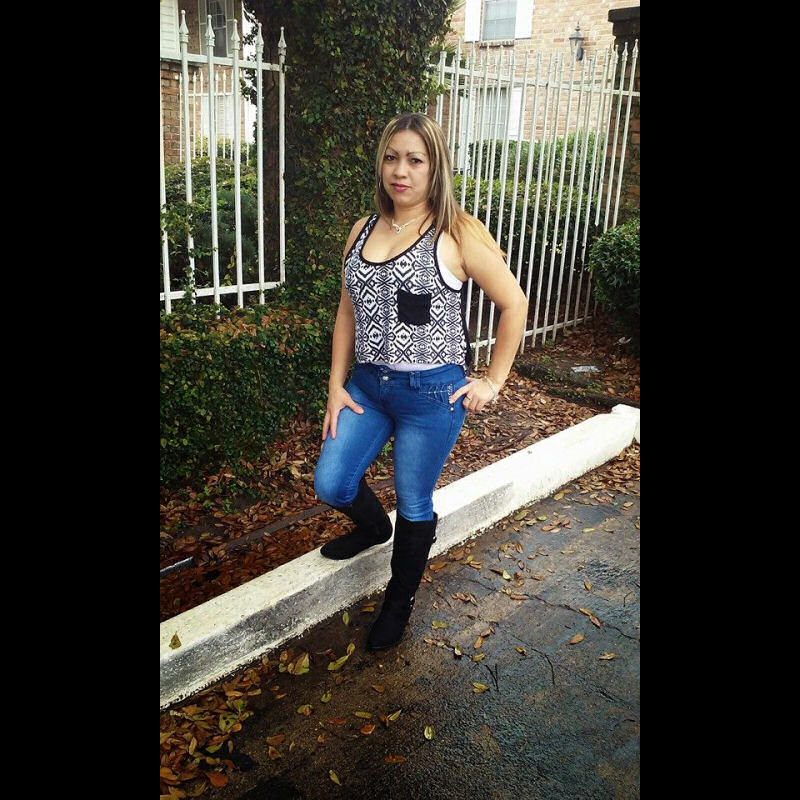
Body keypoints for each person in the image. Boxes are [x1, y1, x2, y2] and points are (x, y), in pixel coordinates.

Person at [313, 112, 528, 651]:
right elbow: (347, 313)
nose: (400, 171)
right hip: (367, 387)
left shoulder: (457, 233)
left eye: (415, 160)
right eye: (391, 158)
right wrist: (336, 386)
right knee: (332, 484)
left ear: (435, 167)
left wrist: (493, 381)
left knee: (414, 501)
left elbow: (515, 303)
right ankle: (372, 529)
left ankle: (398, 602)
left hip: (431, 395)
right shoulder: (361, 230)